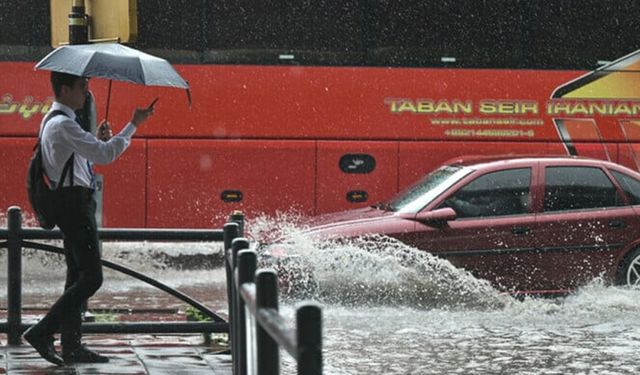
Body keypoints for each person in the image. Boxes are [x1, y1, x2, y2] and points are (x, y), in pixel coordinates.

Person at [23, 71, 155, 365]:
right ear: (65, 89)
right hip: (74, 206)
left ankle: (71, 346)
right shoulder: (64, 124)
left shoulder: (58, 122)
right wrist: (134, 124)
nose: (87, 92)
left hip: (73, 203)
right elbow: (106, 156)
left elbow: (85, 157)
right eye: (83, 87)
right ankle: (42, 332)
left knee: (76, 276)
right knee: (92, 277)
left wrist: (95, 141)